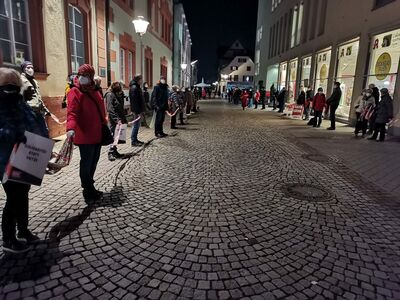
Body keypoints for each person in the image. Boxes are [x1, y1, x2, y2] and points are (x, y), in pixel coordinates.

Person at [0, 67, 49, 253]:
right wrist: (14, 134)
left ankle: (23, 231)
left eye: (14, 85)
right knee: (14, 199)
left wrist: (43, 145)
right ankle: (9, 239)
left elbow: (34, 125)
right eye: (7, 85)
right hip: (6, 162)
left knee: (23, 196)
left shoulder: (20, 103)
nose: (11, 88)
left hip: (26, 158)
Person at [67, 64, 106, 202]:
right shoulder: (74, 91)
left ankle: (91, 187)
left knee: (94, 162)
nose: (83, 78)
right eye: (81, 75)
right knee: (86, 162)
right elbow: (72, 112)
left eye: (87, 75)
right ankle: (87, 190)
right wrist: (70, 128)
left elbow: (101, 109)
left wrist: (105, 122)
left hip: (97, 134)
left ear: (91, 77)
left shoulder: (94, 90)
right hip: (84, 135)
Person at [20, 61, 50, 138]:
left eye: (32, 67)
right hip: (29, 113)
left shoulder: (34, 81)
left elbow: (38, 97)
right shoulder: (21, 81)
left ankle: (45, 150)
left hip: (38, 112)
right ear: (23, 69)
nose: (31, 69)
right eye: (28, 67)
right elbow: (20, 99)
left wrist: (45, 109)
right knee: (33, 135)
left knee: (45, 133)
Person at [105, 81, 127, 161]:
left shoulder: (117, 94)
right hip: (113, 120)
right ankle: (110, 153)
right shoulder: (110, 95)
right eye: (119, 89)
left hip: (119, 119)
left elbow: (120, 107)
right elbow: (110, 109)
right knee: (113, 136)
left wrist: (123, 119)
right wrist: (117, 120)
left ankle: (115, 151)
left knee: (117, 136)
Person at [129, 75, 145, 146]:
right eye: (141, 79)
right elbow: (134, 101)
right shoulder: (134, 88)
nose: (142, 81)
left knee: (137, 125)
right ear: (138, 80)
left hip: (138, 109)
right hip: (136, 110)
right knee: (136, 125)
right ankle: (133, 141)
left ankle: (135, 139)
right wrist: (138, 112)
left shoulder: (136, 87)